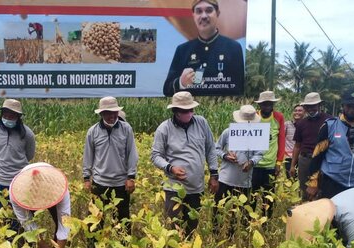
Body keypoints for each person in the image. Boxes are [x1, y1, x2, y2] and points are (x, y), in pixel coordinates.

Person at [151, 91, 218, 237]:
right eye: (184, 110)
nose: (188, 113)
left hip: (196, 187)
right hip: (173, 186)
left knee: (192, 225)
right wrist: (171, 168)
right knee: (172, 224)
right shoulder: (165, 128)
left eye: (190, 110)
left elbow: (211, 149)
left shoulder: (201, 123)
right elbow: (156, 156)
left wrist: (214, 174)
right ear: (176, 111)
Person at [162, 0, 244, 97]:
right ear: (193, 15)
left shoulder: (234, 48)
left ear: (218, 13)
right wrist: (181, 82)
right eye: (199, 11)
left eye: (209, 10)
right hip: (191, 111)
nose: (204, 16)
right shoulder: (183, 50)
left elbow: (239, 89)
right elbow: (167, 90)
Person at [307, 87, 354, 200]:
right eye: (349, 106)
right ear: (343, 105)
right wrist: (313, 183)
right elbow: (317, 156)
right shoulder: (329, 126)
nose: (352, 110)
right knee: (330, 216)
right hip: (331, 182)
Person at [83, 96, 138, 224]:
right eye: (108, 113)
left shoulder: (126, 129)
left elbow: (132, 154)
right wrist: (86, 178)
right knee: (95, 221)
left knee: (122, 222)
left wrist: (131, 177)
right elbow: (88, 156)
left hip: (121, 184)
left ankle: (123, 244)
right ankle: (93, 245)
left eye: (114, 112)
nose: (112, 116)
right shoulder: (93, 132)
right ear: (101, 113)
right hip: (99, 183)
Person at [9, 162, 70, 248]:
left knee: (60, 226)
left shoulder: (60, 189)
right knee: (24, 233)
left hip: (51, 188)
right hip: (26, 195)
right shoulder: (16, 193)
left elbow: (64, 223)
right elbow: (28, 224)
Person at [214, 105, 263, 236]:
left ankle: (236, 235)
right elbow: (216, 148)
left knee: (242, 211)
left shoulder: (257, 135)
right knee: (219, 208)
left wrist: (251, 162)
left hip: (244, 181)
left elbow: (259, 154)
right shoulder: (228, 132)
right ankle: (216, 233)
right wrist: (225, 156)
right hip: (225, 178)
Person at [0, 99, 36, 230]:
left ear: (18, 117)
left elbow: (29, 155)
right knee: (3, 215)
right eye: (5, 114)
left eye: (12, 115)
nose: (8, 118)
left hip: (19, 182)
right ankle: (9, 243)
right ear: (1, 114)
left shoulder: (27, 134)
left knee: (22, 217)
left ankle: (23, 242)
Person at [290, 92, 332, 200]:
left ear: (319, 105)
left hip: (323, 160)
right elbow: (297, 146)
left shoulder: (329, 120)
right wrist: (292, 166)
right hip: (305, 160)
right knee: (305, 191)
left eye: (313, 106)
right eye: (308, 106)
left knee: (322, 190)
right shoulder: (301, 123)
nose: (311, 109)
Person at [251, 91, 285, 214]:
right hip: (254, 164)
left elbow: (281, 140)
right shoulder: (253, 116)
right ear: (260, 105)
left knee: (269, 197)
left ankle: (266, 224)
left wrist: (279, 162)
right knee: (252, 197)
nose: (267, 107)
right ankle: (250, 221)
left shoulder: (278, 117)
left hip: (270, 165)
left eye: (269, 104)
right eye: (264, 104)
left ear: (273, 105)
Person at [284, 104, 304, 178]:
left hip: (302, 158)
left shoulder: (306, 125)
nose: (297, 112)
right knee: (290, 180)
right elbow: (281, 139)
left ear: (304, 112)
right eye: (295, 111)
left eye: (300, 111)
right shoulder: (287, 124)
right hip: (289, 157)